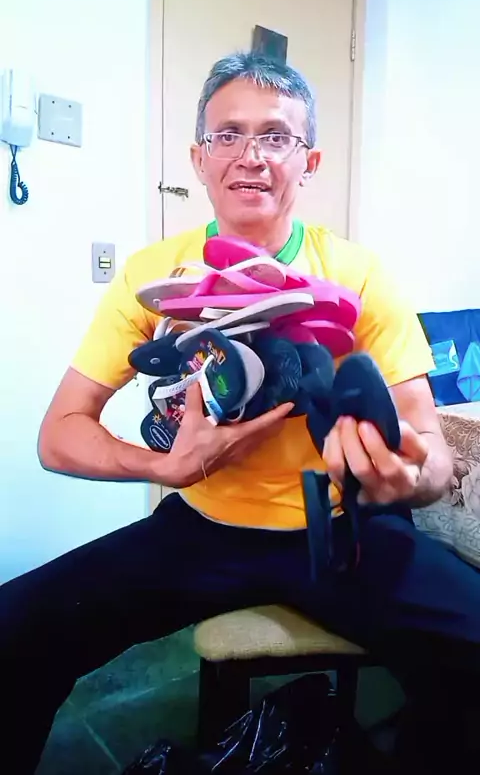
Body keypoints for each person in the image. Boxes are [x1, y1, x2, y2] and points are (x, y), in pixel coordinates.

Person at [1, 52, 479, 774]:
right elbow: (58, 435)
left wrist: (407, 476)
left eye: (275, 136)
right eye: (227, 134)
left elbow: (433, 451)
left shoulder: (359, 274)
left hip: (343, 528)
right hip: (205, 525)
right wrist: (165, 466)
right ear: (199, 157)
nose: (250, 156)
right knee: (15, 629)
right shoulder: (151, 277)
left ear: (308, 162)